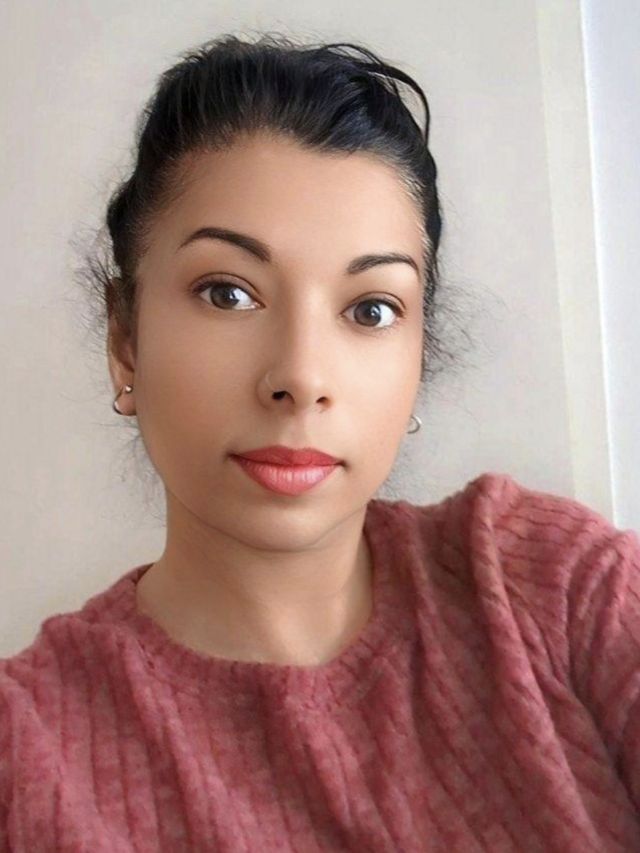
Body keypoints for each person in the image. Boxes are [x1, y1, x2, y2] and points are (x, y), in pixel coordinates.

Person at [2, 31, 640, 853]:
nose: (301, 377)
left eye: (371, 309)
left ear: (418, 352)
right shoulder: (28, 755)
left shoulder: (558, 590)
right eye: (228, 293)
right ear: (126, 338)